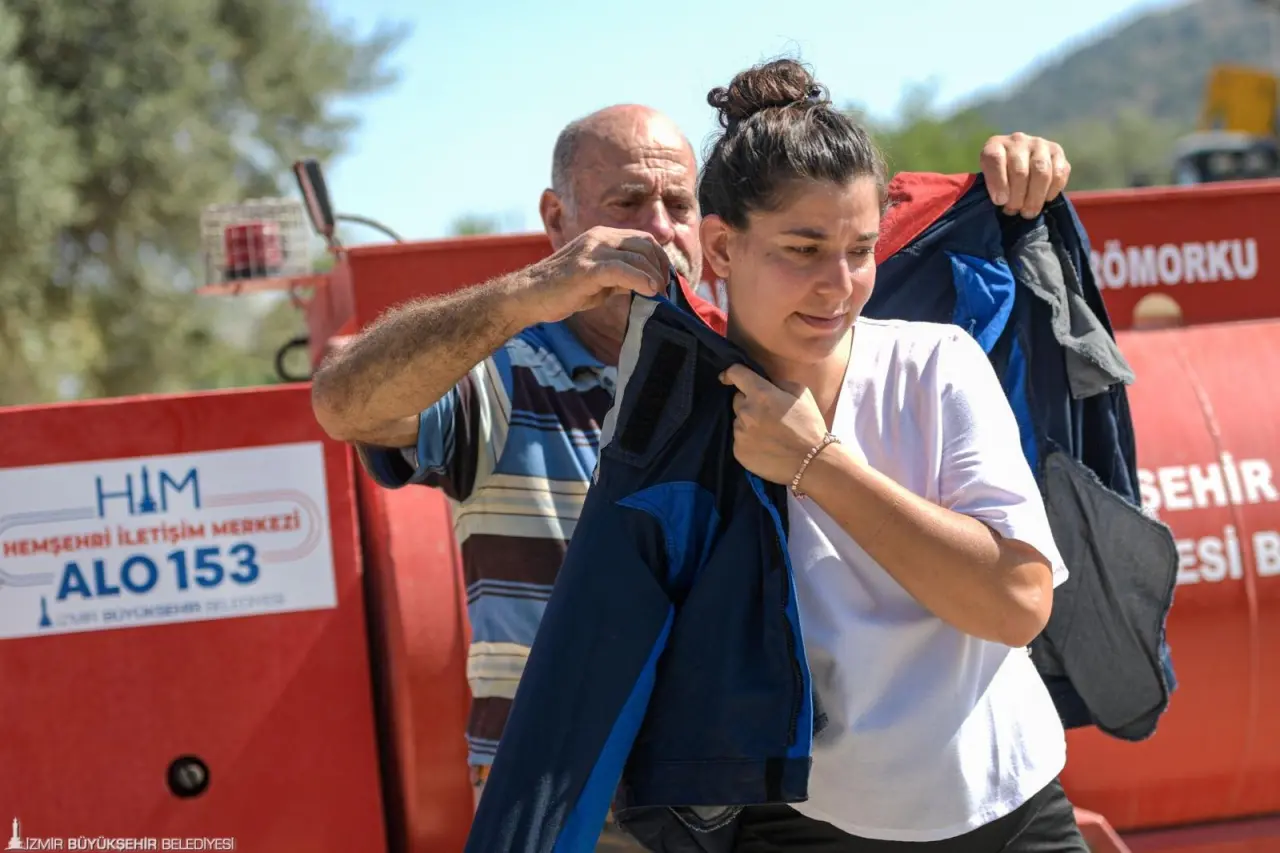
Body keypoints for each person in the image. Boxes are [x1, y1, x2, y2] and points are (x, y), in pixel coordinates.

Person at [309, 96, 1072, 848]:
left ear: (710, 236)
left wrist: (1017, 180)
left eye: (677, 200)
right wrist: (530, 293)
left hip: (718, 794)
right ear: (556, 221)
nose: (656, 227)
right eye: (627, 202)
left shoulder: (748, 376)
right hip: (578, 792)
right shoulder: (509, 375)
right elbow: (347, 406)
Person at [699, 59, 1087, 851]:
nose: (838, 285)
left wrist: (820, 464)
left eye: (860, 249)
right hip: (803, 822)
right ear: (719, 247)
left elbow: (1017, 601)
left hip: (1011, 802)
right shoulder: (678, 417)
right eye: (803, 249)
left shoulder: (935, 362)